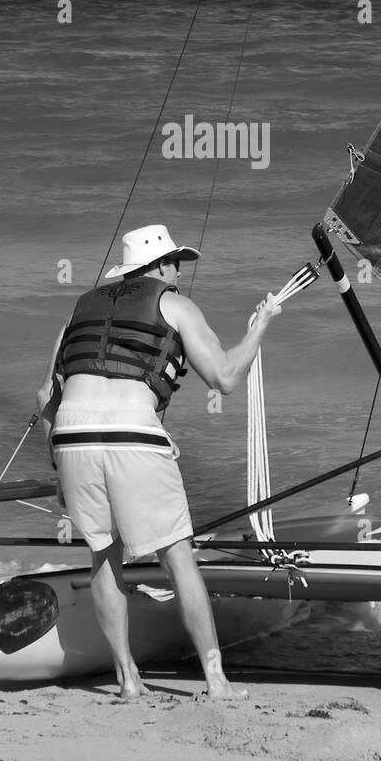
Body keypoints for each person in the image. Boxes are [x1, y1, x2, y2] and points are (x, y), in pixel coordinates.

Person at [36, 224, 281, 700]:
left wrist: (58, 471)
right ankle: (216, 680)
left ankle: (128, 679)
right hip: (133, 434)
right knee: (177, 557)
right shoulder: (175, 305)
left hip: (71, 436)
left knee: (104, 555)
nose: (179, 273)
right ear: (160, 267)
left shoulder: (78, 311)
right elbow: (226, 378)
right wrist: (260, 327)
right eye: (176, 264)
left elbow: (46, 395)